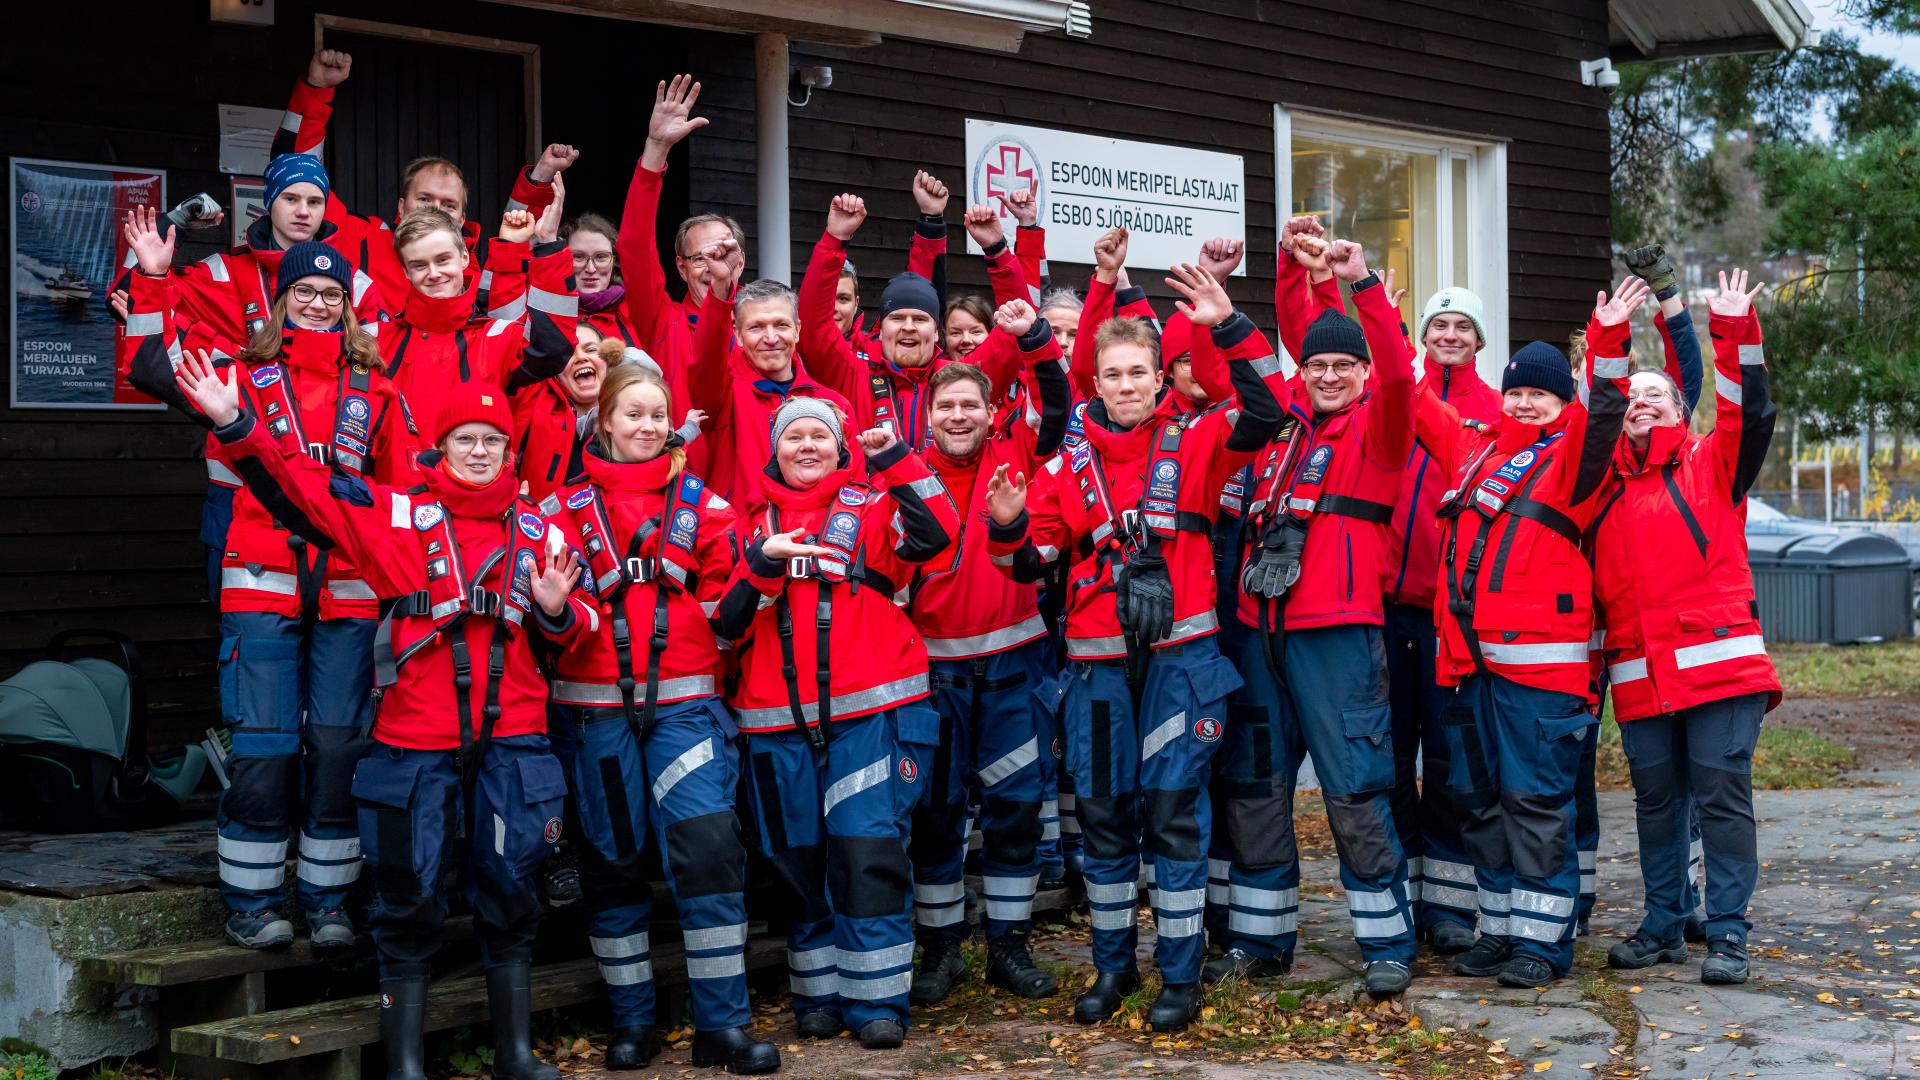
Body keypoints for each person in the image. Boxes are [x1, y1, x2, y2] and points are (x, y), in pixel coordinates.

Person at [176, 366, 595, 1080]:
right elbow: (304, 497)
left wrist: (557, 606)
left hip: (513, 741)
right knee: (408, 897)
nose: (479, 451)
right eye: (465, 438)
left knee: (510, 890)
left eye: (493, 439)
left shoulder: (545, 528)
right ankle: (404, 1065)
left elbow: (578, 632)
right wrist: (236, 425)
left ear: (510, 448)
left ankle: (515, 1054)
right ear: (442, 446)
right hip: (415, 740)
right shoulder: (398, 515)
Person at [984, 263, 1286, 1032]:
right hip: (1096, 667)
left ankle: (1178, 976)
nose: (1125, 384)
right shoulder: (1064, 466)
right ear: (1100, 380)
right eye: (1112, 373)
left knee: (1176, 817)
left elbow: (1270, 407)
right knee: (1107, 818)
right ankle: (1113, 966)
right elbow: (1030, 565)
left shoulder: (1197, 438)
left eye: (1139, 372)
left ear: (1160, 378)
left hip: (1181, 667)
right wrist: (1012, 523)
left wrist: (1226, 323)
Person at [122, 221, 412, 951]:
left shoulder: (376, 391)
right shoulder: (239, 373)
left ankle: (329, 899)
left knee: (341, 747)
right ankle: (251, 903)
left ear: (348, 307)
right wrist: (155, 278)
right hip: (260, 585)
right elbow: (153, 365)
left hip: (347, 593)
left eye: (330, 294)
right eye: (304, 292)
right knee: (265, 746)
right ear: (281, 302)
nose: (318, 304)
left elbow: (403, 497)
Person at [543, 364, 778, 1073]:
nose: (647, 427)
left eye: (657, 416)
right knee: (613, 866)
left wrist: (760, 570)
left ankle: (723, 1026)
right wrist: (553, 608)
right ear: (604, 420)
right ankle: (633, 1024)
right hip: (594, 714)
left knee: (708, 858)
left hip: (686, 706)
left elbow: (727, 611)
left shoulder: (704, 506)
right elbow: (544, 629)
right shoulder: (558, 509)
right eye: (633, 414)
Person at [1414, 276, 1645, 988]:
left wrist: (1606, 337)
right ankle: (1500, 929)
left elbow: (1603, 406)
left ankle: (1543, 945)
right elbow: (1413, 399)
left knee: (1536, 803)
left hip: (1541, 677)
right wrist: (1366, 302)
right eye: (1516, 391)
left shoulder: (1575, 458)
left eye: (1539, 394)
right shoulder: (1476, 450)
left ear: (1558, 401)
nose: (1523, 401)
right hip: (1471, 666)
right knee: (1482, 803)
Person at [711, 399, 959, 1050]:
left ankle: (878, 1001)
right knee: (796, 860)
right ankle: (817, 997)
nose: (808, 445)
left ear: (842, 444)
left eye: (821, 434)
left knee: (866, 850)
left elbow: (939, 530)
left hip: (872, 713)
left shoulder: (875, 507)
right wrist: (762, 563)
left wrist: (895, 458)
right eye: (794, 436)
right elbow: (722, 623)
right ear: (775, 449)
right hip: (773, 724)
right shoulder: (743, 526)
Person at [1218, 239, 1417, 996]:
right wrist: (1287, 266)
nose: (1329, 375)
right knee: (1256, 787)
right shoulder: (1282, 432)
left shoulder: (1382, 429)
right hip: (1261, 633)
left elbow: (1400, 371)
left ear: (1363, 375)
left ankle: (1387, 943)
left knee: (1356, 789)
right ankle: (1261, 941)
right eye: (1317, 365)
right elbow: (1280, 344)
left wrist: (1358, 283)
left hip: (1336, 637)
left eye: (1344, 366)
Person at [1592, 269, 1781, 986]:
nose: (1639, 402)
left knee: (1723, 801)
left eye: (1655, 393)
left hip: (1718, 672)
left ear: (1679, 408)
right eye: (1631, 395)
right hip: (1641, 678)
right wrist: (1609, 338)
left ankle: (1727, 933)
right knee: (1656, 805)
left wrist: (1734, 330)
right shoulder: (1601, 483)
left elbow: (1747, 412)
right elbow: (1594, 401)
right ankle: (1664, 924)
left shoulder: (1711, 462)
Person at [902, 301, 1070, 1006]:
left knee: (1015, 808)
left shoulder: (1019, 456)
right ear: (930, 414)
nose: (960, 416)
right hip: (934, 673)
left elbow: (1057, 390)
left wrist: (1031, 330)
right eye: (948, 406)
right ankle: (941, 950)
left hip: (1013, 666)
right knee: (937, 814)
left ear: (991, 408)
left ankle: (1009, 944)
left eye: (972, 403)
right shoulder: (903, 477)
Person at [1377, 274, 1502, 953]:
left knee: (1450, 759)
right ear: (1422, 336)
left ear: (1479, 339)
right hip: (1386, 609)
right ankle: (1399, 891)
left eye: (1462, 327)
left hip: (1453, 616)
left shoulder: (1495, 409)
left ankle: (1449, 907)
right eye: (1438, 326)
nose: (1449, 336)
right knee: (1392, 754)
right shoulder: (1399, 401)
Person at [274, 48, 573, 311]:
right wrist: (316, 91)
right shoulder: (360, 238)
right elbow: (296, 173)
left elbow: (518, 238)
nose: (434, 209)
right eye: (425, 199)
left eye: (448, 204)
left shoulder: (470, 271)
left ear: (462, 219)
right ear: (402, 207)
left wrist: (540, 179)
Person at [797, 191, 1027, 452]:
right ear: (880, 331)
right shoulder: (852, 373)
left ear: (937, 332)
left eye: (920, 319)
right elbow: (813, 324)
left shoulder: (964, 379)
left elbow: (1017, 323)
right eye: (897, 318)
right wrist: (833, 239)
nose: (908, 326)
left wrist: (997, 249)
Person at [378, 207, 576, 437]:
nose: (433, 273)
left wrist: (549, 246)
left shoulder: (494, 339)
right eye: (420, 265)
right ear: (406, 272)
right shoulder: (378, 341)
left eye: (443, 260)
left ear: (464, 258)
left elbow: (552, 350)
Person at [689, 253, 852, 509]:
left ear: (798, 329)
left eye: (781, 325)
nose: (771, 337)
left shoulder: (833, 404)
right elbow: (706, 358)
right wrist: (720, 288)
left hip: (816, 540)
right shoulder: (722, 395)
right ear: (738, 335)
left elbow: (853, 484)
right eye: (756, 327)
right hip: (745, 541)